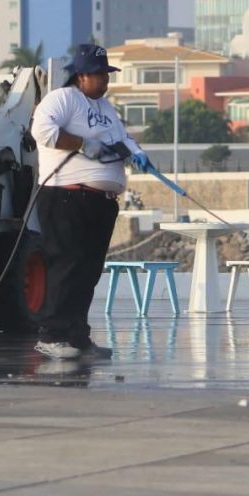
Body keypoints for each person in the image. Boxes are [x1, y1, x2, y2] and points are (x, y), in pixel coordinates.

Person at [30, 43, 150, 361]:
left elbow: (122, 138)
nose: (105, 81)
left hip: (100, 201)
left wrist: (136, 153)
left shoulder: (106, 108)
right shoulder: (63, 99)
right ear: (82, 75)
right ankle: (52, 334)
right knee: (66, 265)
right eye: (99, 75)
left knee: (88, 270)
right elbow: (41, 130)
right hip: (66, 195)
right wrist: (83, 145)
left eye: (107, 75)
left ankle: (77, 335)